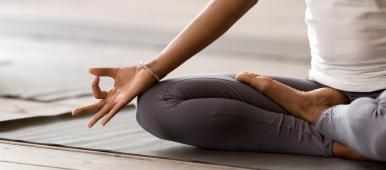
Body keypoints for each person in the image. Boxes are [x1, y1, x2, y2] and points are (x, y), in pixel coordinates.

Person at [72, 0, 386, 161]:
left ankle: (338, 126)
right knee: (158, 106)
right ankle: (339, 134)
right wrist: (150, 69)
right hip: (326, 91)